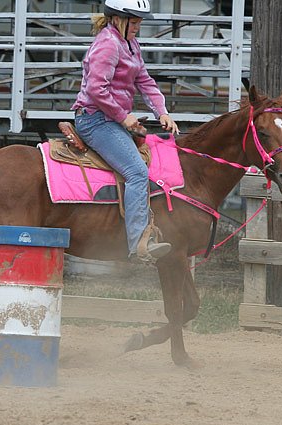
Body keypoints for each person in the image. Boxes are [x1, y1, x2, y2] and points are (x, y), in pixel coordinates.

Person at [71, 0, 178, 263]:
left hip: (111, 120)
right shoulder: (108, 44)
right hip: (96, 120)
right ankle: (139, 242)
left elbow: (145, 80)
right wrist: (124, 117)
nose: (139, 26)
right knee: (137, 172)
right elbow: (97, 90)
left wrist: (161, 111)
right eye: (135, 21)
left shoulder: (130, 44)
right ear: (119, 19)